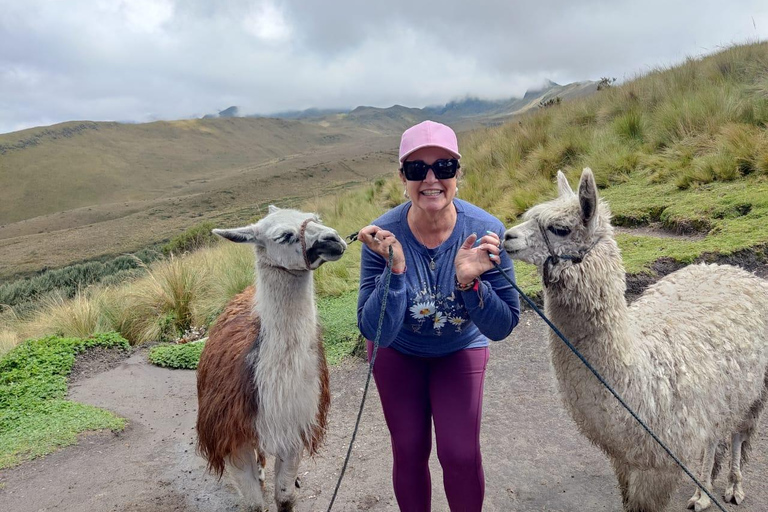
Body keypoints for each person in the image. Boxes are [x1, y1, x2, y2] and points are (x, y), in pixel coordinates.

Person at [356, 120, 520, 511]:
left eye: (443, 167)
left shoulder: (486, 231)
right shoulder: (382, 236)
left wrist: (470, 283)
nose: (431, 179)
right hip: (398, 351)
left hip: (459, 349)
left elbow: (503, 324)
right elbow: (375, 330)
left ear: (458, 173)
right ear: (403, 177)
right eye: (417, 169)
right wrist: (395, 272)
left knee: (460, 453)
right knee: (409, 450)